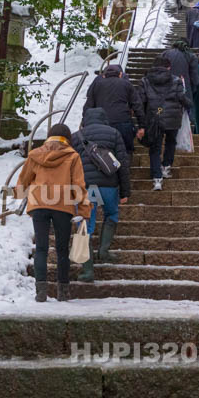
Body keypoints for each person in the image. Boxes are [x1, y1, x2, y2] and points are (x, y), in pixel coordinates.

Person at [16, 123, 90, 303]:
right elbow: (78, 186)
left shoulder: (35, 155)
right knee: (62, 249)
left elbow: (22, 183)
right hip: (62, 207)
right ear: (68, 139)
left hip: (39, 205)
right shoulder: (73, 156)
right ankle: (62, 292)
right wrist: (84, 209)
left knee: (41, 248)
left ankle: (40, 292)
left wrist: (21, 193)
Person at [71, 107, 131, 281]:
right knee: (111, 214)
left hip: (86, 188)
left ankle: (88, 270)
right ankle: (103, 251)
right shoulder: (114, 134)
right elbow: (122, 163)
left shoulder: (76, 136)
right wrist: (125, 191)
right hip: (109, 186)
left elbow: (70, 165)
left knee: (85, 225)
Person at [139, 56, 192, 190]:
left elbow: (141, 101)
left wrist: (142, 122)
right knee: (170, 141)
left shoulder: (145, 80)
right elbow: (181, 97)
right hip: (172, 117)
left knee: (155, 147)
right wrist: (189, 104)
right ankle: (166, 166)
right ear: (168, 67)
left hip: (154, 117)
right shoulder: (176, 80)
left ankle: (157, 177)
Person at [83, 64, 144, 154]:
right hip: (123, 122)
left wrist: (84, 123)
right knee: (125, 152)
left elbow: (88, 106)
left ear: (103, 75)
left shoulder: (97, 84)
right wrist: (142, 126)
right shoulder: (126, 84)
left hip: (102, 124)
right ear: (120, 74)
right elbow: (137, 105)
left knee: (102, 152)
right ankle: (124, 167)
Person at [162, 40, 199, 127]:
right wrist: (193, 90)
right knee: (185, 116)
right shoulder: (190, 56)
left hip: (166, 89)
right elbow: (195, 79)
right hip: (185, 90)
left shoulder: (165, 54)